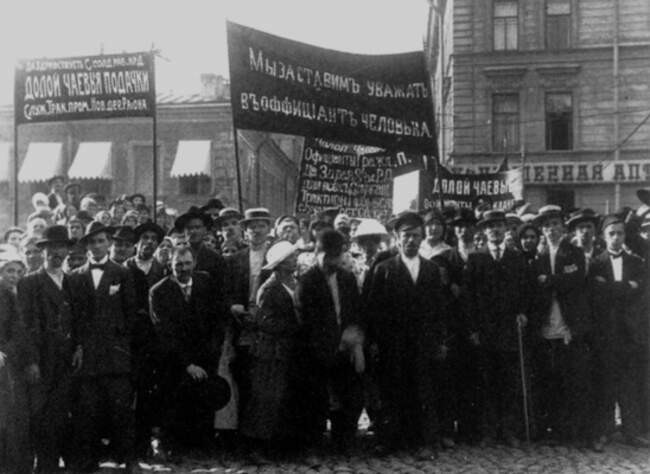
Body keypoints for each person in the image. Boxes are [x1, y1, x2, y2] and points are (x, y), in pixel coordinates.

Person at [364, 212, 449, 458]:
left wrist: (440, 340)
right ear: (397, 238)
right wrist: (374, 342)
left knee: (423, 391)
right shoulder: (384, 269)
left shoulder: (431, 270)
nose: (411, 240)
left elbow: (438, 309)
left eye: (415, 236)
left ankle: (422, 442)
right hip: (393, 343)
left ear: (422, 238)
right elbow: (373, 310)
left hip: (422, 343)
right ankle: (388, 440)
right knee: (392, 390)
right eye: (406, 236)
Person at [67, 221, 139, 473]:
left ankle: (129, 459)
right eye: (92, 242)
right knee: (88, 410)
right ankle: (89, 460)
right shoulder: (75, 277)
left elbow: (131, 315)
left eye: (101, 241)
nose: (97, 246)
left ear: (108, 243)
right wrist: (78, 346)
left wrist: (121, 344)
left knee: (121, 409)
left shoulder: (122, 273)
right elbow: (73, 317)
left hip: (115, 354)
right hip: (87, 354)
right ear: (86, 246)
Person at [149, 247, 230, 452]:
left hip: (206, 355)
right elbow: (164, 332)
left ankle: (203, 445)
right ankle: (174, 446)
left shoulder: (206, 283)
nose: (183, 269)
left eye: (187, 264)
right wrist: (187, 364)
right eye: (178, 264)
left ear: (194, 264)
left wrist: (211, 354)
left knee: (204, 400)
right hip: (175, 359)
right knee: (176, 401)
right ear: (170, 265)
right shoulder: (159, 291)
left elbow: (218, 320)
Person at [530, 205, 596, 450]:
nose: (551, 229)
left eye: (556, 224)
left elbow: (575, 280)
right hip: (548, 324)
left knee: (574, 381)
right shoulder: (539, 256)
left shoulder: (574, 253)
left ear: (563, 227)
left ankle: (575, 432)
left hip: (570, 325)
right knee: (551, 380)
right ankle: (555, 430)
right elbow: (536, 290)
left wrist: (549, 280)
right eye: (547, 225)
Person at [463, 209, 531, 448]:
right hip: (485, 330)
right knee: (486, 383)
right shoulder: (475, 259)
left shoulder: (517, 258)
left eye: (499, 225)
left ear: (506, 229)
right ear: (484, 231)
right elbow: (468, 297)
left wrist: (522, 311)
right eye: (490, 226)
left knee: (509, 383)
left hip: (510, 330)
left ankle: (509, 431)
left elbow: (525, 290)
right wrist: (472, 328)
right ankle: (488, 431)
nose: (495, 230)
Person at [16, 225, 79, 472]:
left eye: (61, 248)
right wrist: (31, 361)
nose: (57, 253)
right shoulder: (29, 283)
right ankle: (45, 466)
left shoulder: (73, 281)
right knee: (42, 415)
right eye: (51, 248)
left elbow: (80, 320)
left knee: (62, 413)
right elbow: (23, 325)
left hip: (67, 358)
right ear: (43, 251)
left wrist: (79, 346)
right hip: (42, 359)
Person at [295, 229, 364, 451]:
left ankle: (343, 441)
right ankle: (314, 443)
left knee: (347, 397)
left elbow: (354, 312)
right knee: (317, 400)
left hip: (345, 349)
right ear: (318, 253)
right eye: (327, 256)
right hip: (317, 351)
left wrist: (353, 343)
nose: (332, 261)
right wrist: (332, 345)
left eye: (336, 256)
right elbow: (307, 321)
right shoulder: (307, 282)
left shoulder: (347, 279)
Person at [590, 215, 649, 448]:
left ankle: (631, 431)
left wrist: (611, 287)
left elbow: (640, 290)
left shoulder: (636, 263)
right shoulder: (595, 263)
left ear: (625, 236)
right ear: (604, 237)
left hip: (629, 333)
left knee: (630, 384)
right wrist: (627, 287)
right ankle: (604, 431)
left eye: (620, 233)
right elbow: (598, 296)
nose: (616, 238)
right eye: (611, 233)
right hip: (606, 333)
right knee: (605, 383)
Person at [240, 241, 303, 454]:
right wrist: (295, 326)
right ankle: (257, 445)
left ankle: (280, 443)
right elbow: (265, 322)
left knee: (284, 398)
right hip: (270, 351)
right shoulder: (269, 288)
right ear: (281, 263)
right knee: (266, 398)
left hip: (287, 350)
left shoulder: (295, 283)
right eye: (291, 257)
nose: (295, 260)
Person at [224, 208, 272, 431]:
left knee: (263, 383)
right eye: (252, 227)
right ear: (245, 230)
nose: (256, 231)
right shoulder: (235, 259)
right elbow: (227, 291)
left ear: (268, 229)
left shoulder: (275, 256)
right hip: (242, 326)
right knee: (242, 379)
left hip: (266, 327)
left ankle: (260, 434)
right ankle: (242, 434)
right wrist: (233, 304)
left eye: (261, 226)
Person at [0, 246, 31, 474]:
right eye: (10, 271)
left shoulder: (23, 295)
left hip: (17, 362)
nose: (15, 276)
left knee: (17, 416)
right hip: (3, 362)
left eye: (19, 272)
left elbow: (22, 332)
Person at [175, 206, 227, 284]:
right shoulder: (176, 257)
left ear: (205, 230)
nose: (193, 231)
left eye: (197, 227)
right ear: (184, 231)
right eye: (189, 228)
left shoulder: (216, 259)